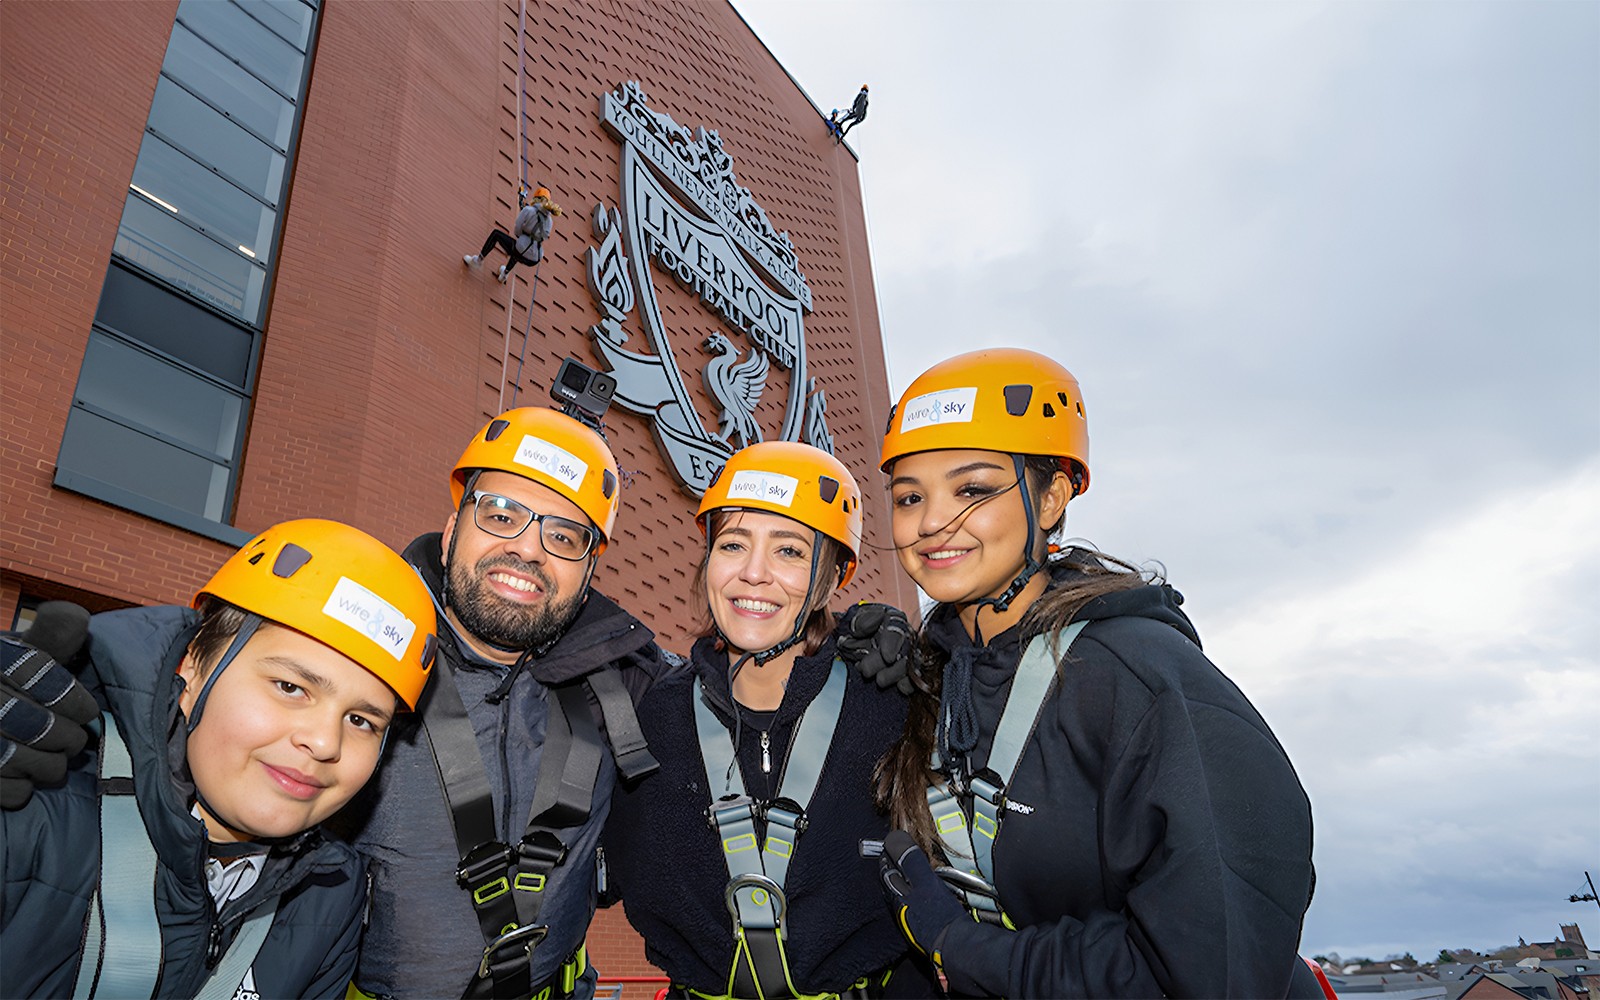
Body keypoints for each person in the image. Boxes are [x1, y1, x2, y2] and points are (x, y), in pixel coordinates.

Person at [872, 348, 1320, 998]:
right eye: (910, 496)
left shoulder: (1136, 675)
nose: (933, 522)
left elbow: (1210, 963)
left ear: (1051, 495)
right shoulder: (930, 688)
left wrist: (962, 948)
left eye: (972, 489)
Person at [0, 519, 438, 1000]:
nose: (324, 742)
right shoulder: (31, 805)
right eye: (291, 687)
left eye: (361, 721)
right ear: (194, 667)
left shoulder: (333, 892)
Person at [334, 404, 670, 1000]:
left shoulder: (624, 681)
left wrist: (852, 661)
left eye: (564, 536)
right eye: (503, 513)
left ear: (589, 572)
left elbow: (743, 706)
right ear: (451, 528)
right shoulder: (356, 658)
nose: (529, 550)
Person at [603, 441, 937, 999]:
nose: (754, 574)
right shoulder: (652, 718)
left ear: (831, 579)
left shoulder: (890, 706)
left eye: (789, 551)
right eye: (733, 544)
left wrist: (932, 657)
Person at [465, 185, 564, 283]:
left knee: (498, 235)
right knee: (518, 250)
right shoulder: (550, 221)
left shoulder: (528, 210)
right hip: (535, 259)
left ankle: (477, 261)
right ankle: (504, 274)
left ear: (535, 198)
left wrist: (522, 236)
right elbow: (543, 235)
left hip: (522, 249)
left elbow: (517, 229)